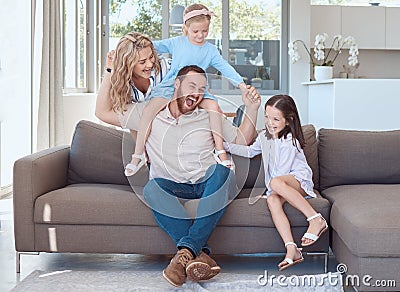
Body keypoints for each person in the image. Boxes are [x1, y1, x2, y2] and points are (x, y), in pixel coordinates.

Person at [121, 65, 260, 287]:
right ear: (177, 84)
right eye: (191, 85)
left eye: (202, 88)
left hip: (208, 183)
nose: (196, 93)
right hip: (174, 186)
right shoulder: (152, 113)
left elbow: (241, 141)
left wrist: (252, 109)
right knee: (150, 189)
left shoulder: (208, 114)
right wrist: (111, 69)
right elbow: (103, 111)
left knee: (223, 171)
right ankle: (196, 254)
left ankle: (183, 256)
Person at [125, 3, 250, 176]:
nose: (200, 35)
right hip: (172, 87)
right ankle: (138, 155)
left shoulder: (211, 50)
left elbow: (225, 67)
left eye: (204, 31)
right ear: (186, 28)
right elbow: (152, 46)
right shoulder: (177, 43)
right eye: (195, 31)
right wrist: (131, 44)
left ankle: (220, 151)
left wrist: (242, 85)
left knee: (214, 108)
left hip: (198, 89)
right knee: (149, 111)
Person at [224, 95, 328, 271]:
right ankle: (291, 248)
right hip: (279, 184)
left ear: (288, 121)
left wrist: (272, 188)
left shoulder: (290, 141)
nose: (269, 122)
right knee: (272, 201)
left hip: (297, 180)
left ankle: (316, 219)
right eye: (267, 117)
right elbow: (250, 152)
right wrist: (224, 146)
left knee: (274, 185)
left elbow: (282, 173)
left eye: (276, 119)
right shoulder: (265, 136)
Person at [95, 31, 170, 131]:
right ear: (128, 63)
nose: (150, 64)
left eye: (151, 57)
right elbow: (101, 112)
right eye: (142, 62)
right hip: (144, 133)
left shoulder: (167, 68)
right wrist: (110, 70)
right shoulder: (123, 81)